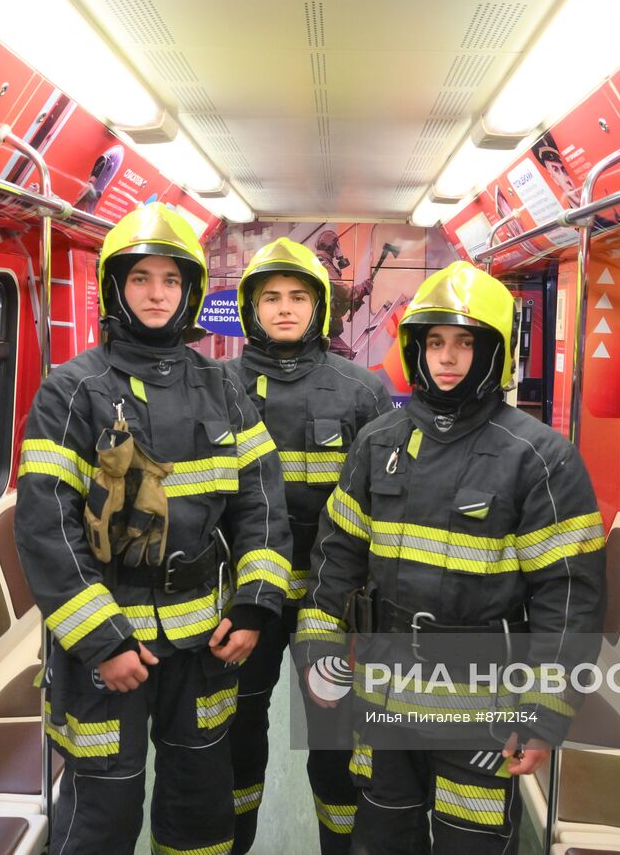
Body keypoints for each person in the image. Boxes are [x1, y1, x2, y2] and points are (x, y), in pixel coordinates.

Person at [296, 260, 606, 853]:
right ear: (415, 349)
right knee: (382, 838)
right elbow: (335, 560)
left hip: (483, 704)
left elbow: (568, 600)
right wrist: (318, 652)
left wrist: (546, 713)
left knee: (474, 844)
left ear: (495, 351)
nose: (447, 357)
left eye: (466, 342)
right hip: (382, 692)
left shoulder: (540, 458)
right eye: (434, 342)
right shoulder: (377, 443)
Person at [15, 203, 292, 855]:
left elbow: (264, 504)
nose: (157, 293)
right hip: (106, 652)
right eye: (141, 278)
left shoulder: (223, 387)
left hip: (204, 643)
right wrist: (102, 641)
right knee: (102, 813)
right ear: (117, 287)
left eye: (170, 279)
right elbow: (47, 529)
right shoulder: (71, 390)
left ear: (190, 290)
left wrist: (254, 605)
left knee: (200, 807)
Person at [224, 238, 393, 854]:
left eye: (299, 297)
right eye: (271, 297)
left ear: (320, 307)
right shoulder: (218, 385)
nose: (285, 309)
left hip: (336, 603)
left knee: (335, 737)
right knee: (237, 730)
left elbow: (381, 505)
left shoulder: (361, 389)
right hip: (245, 603)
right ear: (251, 308)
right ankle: (238, 839)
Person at [314, 229, 373, 358]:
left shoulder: (318, 263)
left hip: (321, 327)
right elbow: (346, 293)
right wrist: (363, 287)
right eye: (337, 245)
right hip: (323, 330)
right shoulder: (324, 265)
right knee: (350, 357)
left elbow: (334, 296)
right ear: (333, 246)